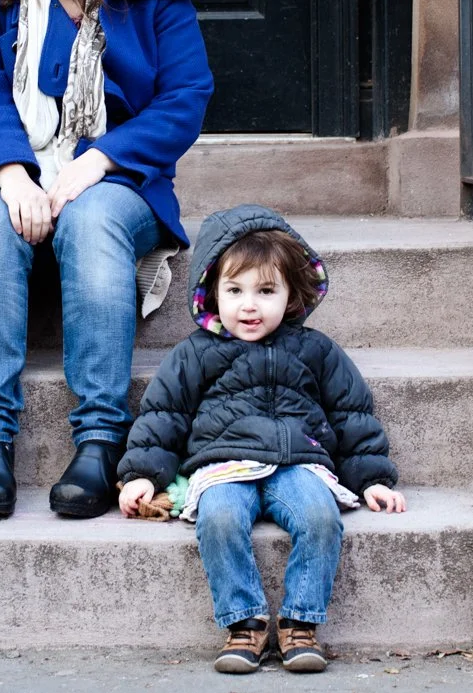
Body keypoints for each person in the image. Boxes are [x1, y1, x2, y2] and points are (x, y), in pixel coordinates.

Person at [0, 0, 213, 519]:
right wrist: (11, 175)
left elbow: (185, 96)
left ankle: (98, 437)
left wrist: (98, 161)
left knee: (93, 220)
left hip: (119, 180)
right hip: (14, 167)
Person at [116, 205, 407, 674]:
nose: (249, 305)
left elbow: (352, 416)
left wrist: (371, 478)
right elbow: (163, 416)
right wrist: (142, 475)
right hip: (223, 463)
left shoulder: (315, 350)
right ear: (212, 294)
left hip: (299, 461)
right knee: (220, 520)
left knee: (319, 517)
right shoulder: (195, 353)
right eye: (234, 291)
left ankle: (301, 623)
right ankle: (244, 623)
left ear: (291, 295)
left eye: (266, 291)